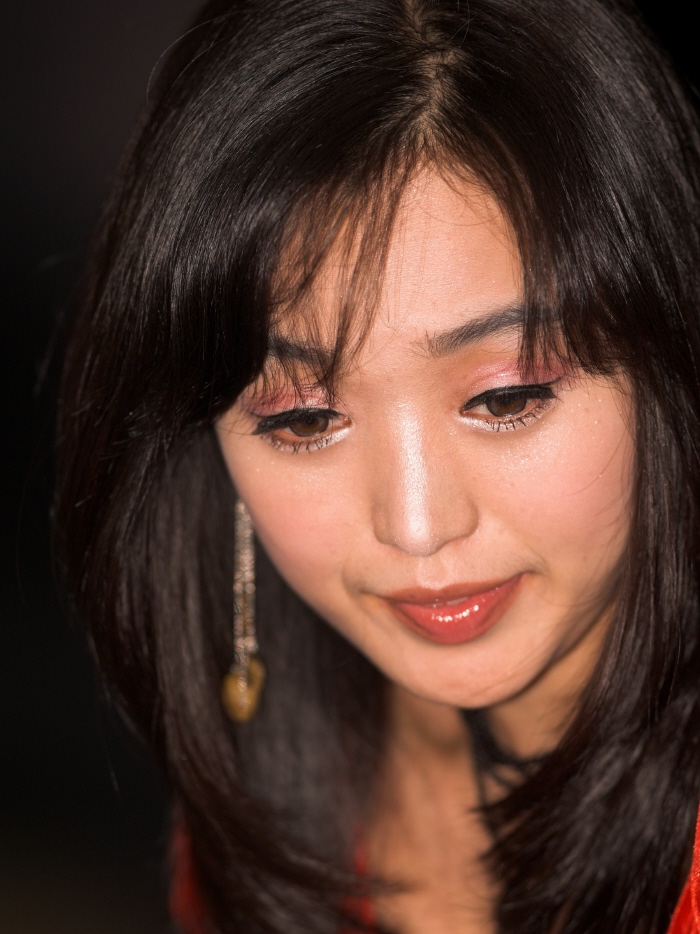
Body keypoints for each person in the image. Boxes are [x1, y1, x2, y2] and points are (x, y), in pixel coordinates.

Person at [54, 0, 700, 931]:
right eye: (306, 419)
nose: (418, 526)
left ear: (672, 367)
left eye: (506, 399)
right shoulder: (272, 803)